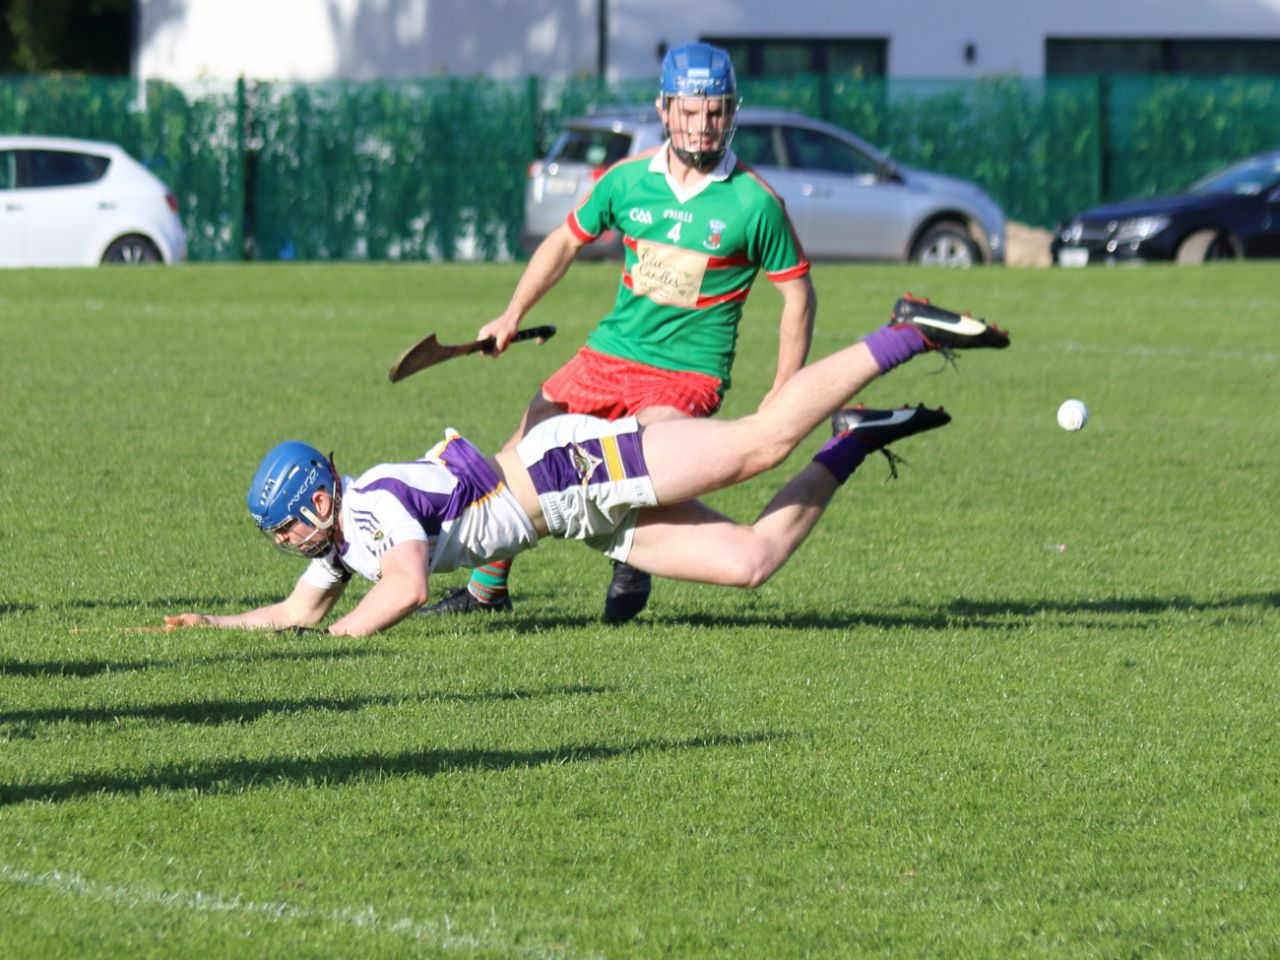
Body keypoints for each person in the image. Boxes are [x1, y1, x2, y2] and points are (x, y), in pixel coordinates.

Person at [163, 297, 1008, 638]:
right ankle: (856, 437)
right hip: (571, 516)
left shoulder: (373, 510)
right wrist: (219, 627)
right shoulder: (337, 541)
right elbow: (294, 615)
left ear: (321, 496)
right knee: (751, 562)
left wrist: (346, 638)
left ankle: (908, 331)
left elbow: (407, 588)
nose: (285, 540)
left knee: (759, 442)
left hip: (567, 472)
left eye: (288, 522)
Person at [423, 41, 817, 624]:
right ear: (664, 110)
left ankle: (634, 561)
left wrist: (785, 385)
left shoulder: (755, 204)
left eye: (716, 112)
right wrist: (510, 314)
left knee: (637, 464)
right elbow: (562, 243)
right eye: (690, 110)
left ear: (732, 113)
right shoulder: (626, 181)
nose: (703, 125)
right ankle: (487, 591)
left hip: (687, 375)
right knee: (517, 454)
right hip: (607, 355)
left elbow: (798, 296)